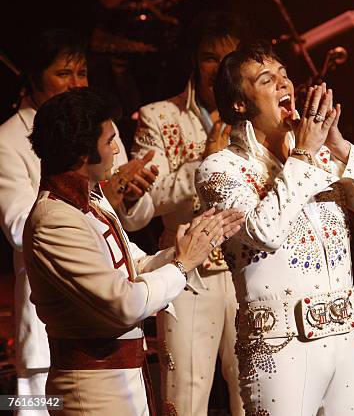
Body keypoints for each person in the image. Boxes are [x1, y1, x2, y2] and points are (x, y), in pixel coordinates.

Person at [195, 40, 354, 415]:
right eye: (266, 79)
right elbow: (265, 231)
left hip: (348, 339)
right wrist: (306, 155)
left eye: (284, 75)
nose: (284, 84)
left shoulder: (321, 155)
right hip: (280, 346)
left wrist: (339, 147)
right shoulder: (220, 169)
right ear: (240, 103)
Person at [23, 86, 243, 415]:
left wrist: (189, 246)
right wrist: (182, 265)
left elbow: (135, 265)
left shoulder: (91, 203)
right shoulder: (54, 219)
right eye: (110, 141)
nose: (116, 150)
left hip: (122, 380)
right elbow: (125, 302)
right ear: (84, 155)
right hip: (92, 391)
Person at [0, 29, 156, 414]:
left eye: (82, 72)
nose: (75, 84)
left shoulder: (101, 127)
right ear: (35, 78)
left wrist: (128, 196)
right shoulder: (8, 138)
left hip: (114, 328)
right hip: (53, 321)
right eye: (63, 73)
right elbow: (23, 225)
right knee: (36, 406)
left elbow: (128, 220)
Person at [130, 10, 246, 415]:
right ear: (196, 61)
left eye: (229, 58)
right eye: (210, 57)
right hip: (190, 272)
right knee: (185, 396)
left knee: (257, 395)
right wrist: (204, 164)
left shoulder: (259, 115)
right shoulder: (160, 117)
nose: (219, 68)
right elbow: (139, 208)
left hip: (253, 270)